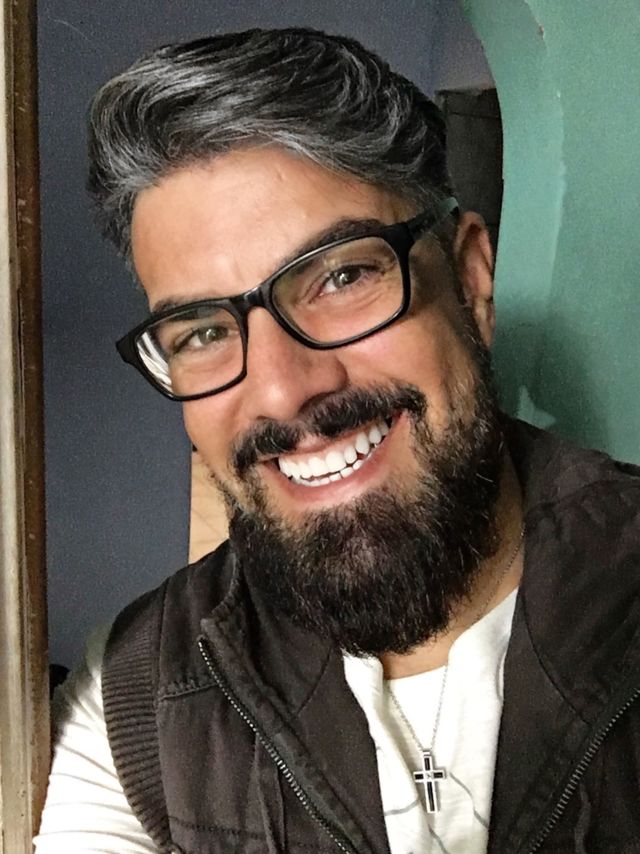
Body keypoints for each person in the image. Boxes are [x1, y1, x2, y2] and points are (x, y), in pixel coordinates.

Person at [35, 27, 640, 854]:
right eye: (203, 330)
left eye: (341, 276)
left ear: (470, 279)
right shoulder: (136, 694)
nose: (282, 389)